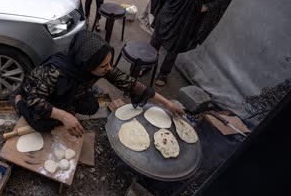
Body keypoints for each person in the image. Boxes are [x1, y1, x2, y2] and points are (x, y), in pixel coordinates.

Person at [12, 30, 185, 137]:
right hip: (40, 95)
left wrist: (168, 104)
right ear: (87, 65)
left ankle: (67, 105)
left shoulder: (98, 67)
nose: (109, 68)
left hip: (70, 92)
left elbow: (131, 84)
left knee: (92, 106)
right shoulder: (54, 72)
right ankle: (17, 101)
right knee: (42, 125)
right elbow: (35, 100)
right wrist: (64, 116)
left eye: (109, 63)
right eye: (103, 66)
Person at [150, 0, 236, 86]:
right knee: (155, 40)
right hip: (168, 14)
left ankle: (163, 73)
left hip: (186, 21)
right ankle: (148, 62)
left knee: (174, 48)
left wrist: (208, 7)